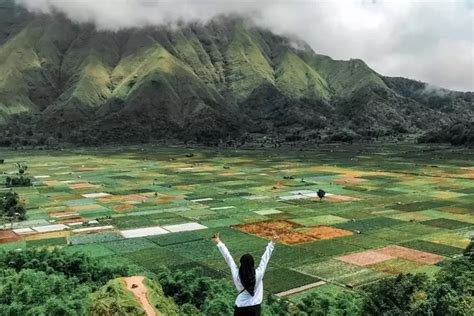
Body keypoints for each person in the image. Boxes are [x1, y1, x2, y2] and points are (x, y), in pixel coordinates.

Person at [212, 232, 278, 316]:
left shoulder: (237, 275)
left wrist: (218, 242)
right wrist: (272, 242)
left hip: (240, 308)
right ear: (252, 263)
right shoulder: (258, 274)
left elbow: (228, 258)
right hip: (255, 309)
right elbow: (265, 259)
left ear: (241, 263)